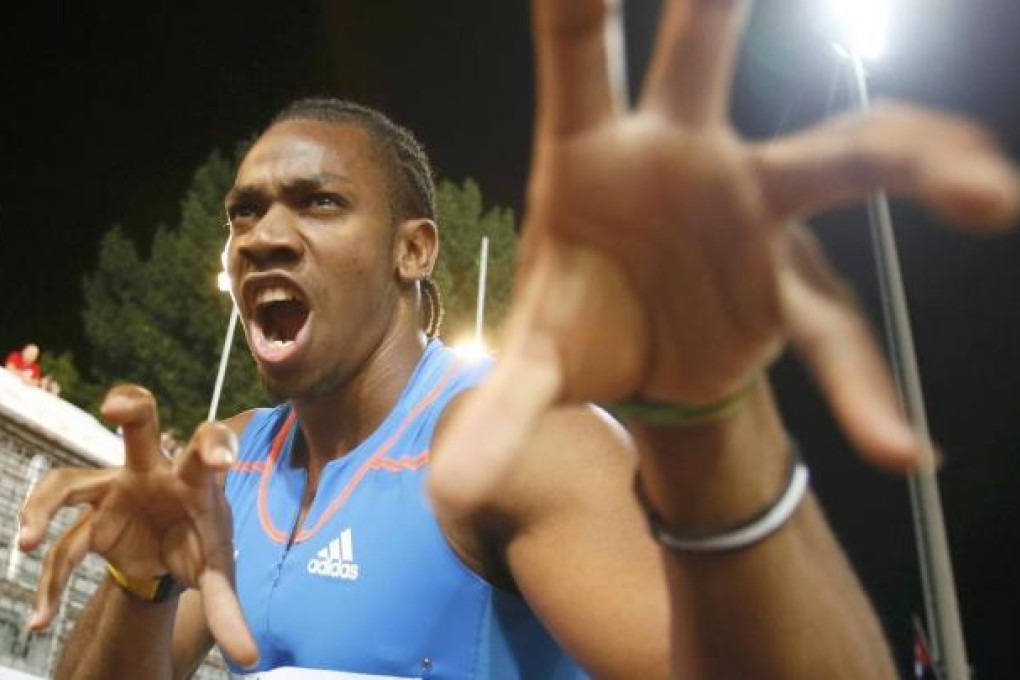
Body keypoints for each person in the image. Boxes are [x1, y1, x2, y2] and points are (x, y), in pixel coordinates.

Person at [18, 1, 1020, 678]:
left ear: (415, 249)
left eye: (317, 203)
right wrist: (141, 578)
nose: (263, 235)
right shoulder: (229, 459)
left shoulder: (510, 445)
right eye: (242, 215)